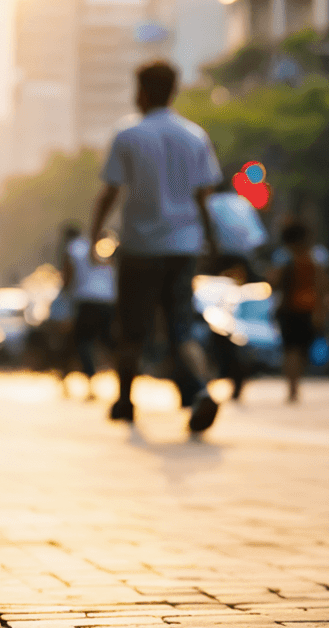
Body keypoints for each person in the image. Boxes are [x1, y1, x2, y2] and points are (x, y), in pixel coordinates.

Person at [89, 60, 223, 433]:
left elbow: (110, 192)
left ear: (143, 92)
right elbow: (203, 197)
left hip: (139, 247)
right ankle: (200, 391)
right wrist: (211, 240)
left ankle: (125, 401)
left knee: (131, 329)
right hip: (183, 246)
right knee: (181, 327)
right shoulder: (194, 136)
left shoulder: (128, 134)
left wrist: (93, 237)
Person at [269, 219, 329, 403]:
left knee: (291, 350)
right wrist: (321, 311)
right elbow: (322, 285)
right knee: (300, 349)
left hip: (288, 308)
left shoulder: (283, 257)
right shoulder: (317, 256)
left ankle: (292, 387)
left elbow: (273, 282)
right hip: (308, 309)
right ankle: (295, 386)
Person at [60, 224, 115, 400]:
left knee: (83, 342)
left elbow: (67, 277)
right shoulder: (108, 245)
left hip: (86, 301)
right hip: (108, 300)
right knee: (109, 342)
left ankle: (90, 380)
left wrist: (65, 295)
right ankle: (123, 379)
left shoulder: (74, 248)